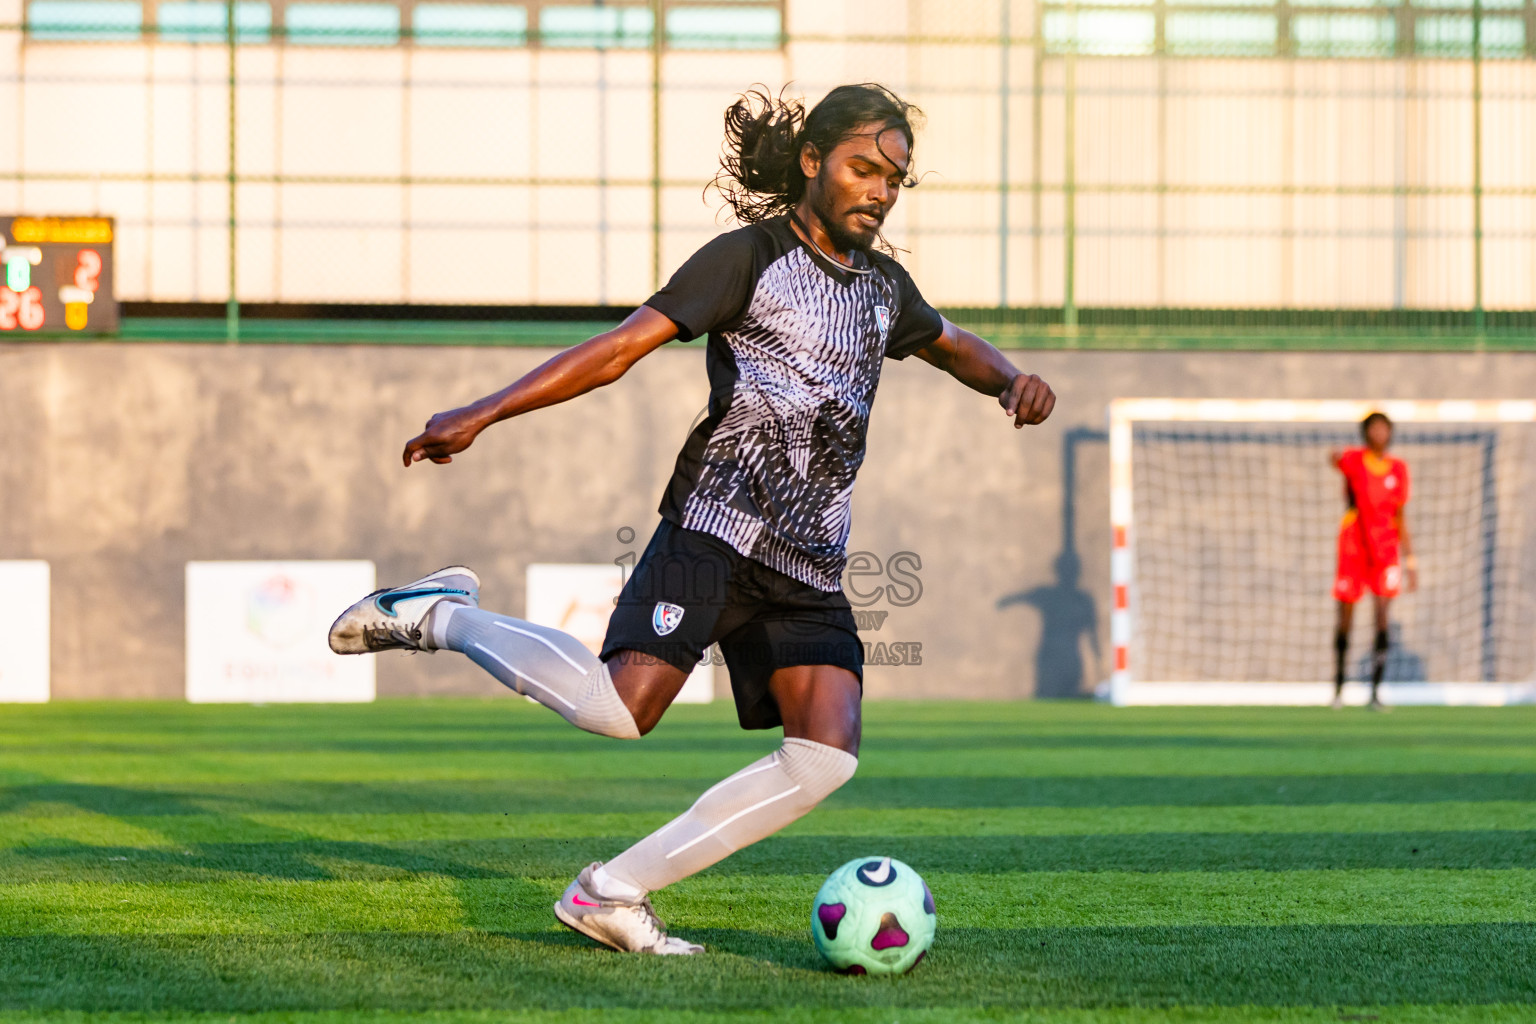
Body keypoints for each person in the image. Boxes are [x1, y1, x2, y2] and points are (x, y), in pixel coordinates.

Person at [327, 83, 1056, 955]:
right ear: (814, 162)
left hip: (809, 562)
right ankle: (437, 615)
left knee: (826, 753)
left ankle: (611, 892)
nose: (881, 190)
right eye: (865, 168)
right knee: (617, 710)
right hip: (717, 525)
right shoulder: (745, 258)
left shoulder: (885, 288)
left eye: (895, 178)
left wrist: (1010, 378)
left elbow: (949, 343)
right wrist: (482, 413)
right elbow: (615, 351)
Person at [1330, 412, 1416, 710]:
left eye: (1385, 428)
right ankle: (1338, 688)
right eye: (1374, 428)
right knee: (1345, 618)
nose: (1380, 433)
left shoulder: (1398, 470)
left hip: (1385, 550)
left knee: (1382, 618)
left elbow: (1400, 517)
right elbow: (1336, 459)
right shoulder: (1354, 460)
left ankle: (1375, 693)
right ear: (1365, 432)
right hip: (1354, 547)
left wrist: (1411, 559)